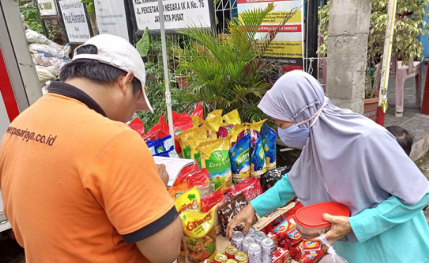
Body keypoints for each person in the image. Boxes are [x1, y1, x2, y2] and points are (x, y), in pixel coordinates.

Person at [0, 35, 182, 263]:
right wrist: (156, 187)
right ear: (125, 81)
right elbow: (166, 251)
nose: (131, 114)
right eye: (136, 102)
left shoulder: (19, 125)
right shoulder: (114, 139)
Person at [227, 70, 429, 263]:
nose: (281, 134)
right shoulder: (318, 141)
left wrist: (356, 225)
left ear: (303, 116)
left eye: (282, 125)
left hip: (396, 252)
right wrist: (254, 208)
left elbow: (419, 195)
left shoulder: (367, 139)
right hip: (355, 254)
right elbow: (294, 180)